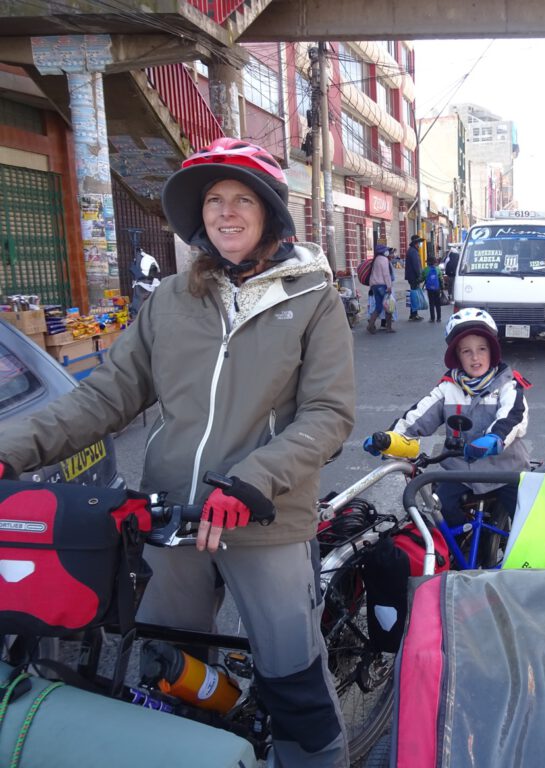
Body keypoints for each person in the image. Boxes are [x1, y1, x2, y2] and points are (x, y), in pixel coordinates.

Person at [0, 137, 355, 767]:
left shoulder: (313, 298)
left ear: (269, 211)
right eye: (214, 200)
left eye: (243, 199)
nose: (225, 212)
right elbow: (105, 398)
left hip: (264, 517)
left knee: (293, 679)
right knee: (170, 671)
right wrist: (11, 450)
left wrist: (253, 478)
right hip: (169, 519)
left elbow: (328, 414)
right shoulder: (168, 299)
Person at [362, 308, 531, 527]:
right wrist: (389, 439)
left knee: (528, 518)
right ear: (457, 356)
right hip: (459, 474)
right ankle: (461, 548)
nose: (475, 357)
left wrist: (495, 438)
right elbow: (418, 417)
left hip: (506, 470)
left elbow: (513, 415)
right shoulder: (447, 388)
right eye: (466, 351)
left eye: (482, 349)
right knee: (437, 511)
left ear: (493, 351)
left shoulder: (508, 384)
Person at [366, 243, 395, 334]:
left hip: (374, 286)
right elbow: (386, 274)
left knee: (378, 307)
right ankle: (389, 328)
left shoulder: (376, 260)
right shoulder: (384, 260)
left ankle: (370, 325)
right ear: (383, 252)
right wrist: (389, 286)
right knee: (388, 306)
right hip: (382, 285)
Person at [405, 235, 424, 321]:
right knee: (414, 296)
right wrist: (420, 275)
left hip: (411, 276)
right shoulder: (413, 252)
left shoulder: (412, 251)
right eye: (419, 243)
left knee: (413, 295)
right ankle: (414, 314)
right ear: (416, 243)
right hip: (414, 277)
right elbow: (416, 266)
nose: (420, 244)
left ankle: (413, 313)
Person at [423, 254, 443, 323]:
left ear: (428, 262)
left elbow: (422, 278)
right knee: (438, 303)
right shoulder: (438, 269)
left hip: (429, 289)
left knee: (431, 303)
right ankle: (439, 318)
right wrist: (442, 287)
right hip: (437, 288)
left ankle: (432, 318)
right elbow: (441, 278)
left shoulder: (426, 269)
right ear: (435, 262)